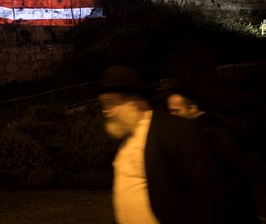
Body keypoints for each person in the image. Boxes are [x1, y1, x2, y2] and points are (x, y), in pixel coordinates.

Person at [97, 65, 227, 224]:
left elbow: (207, 195)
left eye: (110, 102)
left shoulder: (174, 131)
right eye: (103, 104)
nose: (105, 111)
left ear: (134, 101)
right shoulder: (126, 142)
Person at [166, 87, 260, 224]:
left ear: (192, 108)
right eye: (170, 111)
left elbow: (234, 172)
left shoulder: (212, 132)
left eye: (176, 111)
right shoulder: (197, 130)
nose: (171, 116)